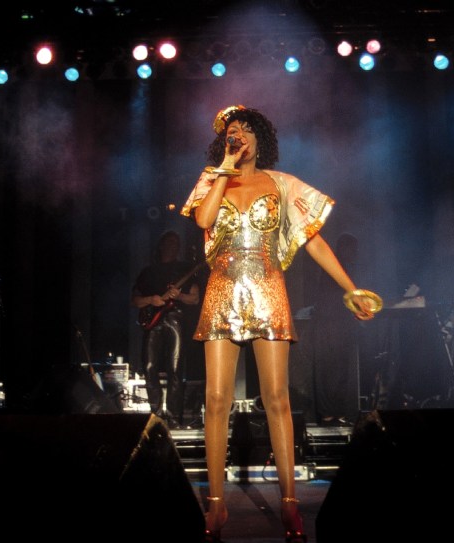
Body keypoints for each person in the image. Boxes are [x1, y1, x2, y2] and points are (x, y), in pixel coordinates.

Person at [181, 105, 381, 543]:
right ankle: (216, 506)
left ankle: (289, 504)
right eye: (232, 131)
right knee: (217, 399)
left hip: (268, 285)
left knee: (276, 396)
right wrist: (222, 170)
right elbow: (203, 220)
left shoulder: (283, 184)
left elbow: (314, 242)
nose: (240, 135)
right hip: (222, 289)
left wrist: (350, 288)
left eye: (247, 129)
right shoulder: (212, 177)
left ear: (261, 140)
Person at [131, 230, 201, 428]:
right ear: (161, 245)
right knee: (150, 367)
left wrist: (177, 296)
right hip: (152, 320)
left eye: (176, 243)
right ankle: (156, 414)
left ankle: (172, 417)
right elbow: (134, 300)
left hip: (175, 318)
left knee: (175, 368)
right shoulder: (148, 272)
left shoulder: (185, 269)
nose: (173, 246)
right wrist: (151, 300)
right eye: (169, 242)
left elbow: (194, 298)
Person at [310, 232, 362, 425]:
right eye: (352, 250)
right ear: (343, 249)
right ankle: (328, 413)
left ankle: (337, 411)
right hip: (328, 324)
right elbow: (331, 299)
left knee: (339, 370)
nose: (355, 254)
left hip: (340, 324)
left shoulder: (348, 268)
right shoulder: (334, 268)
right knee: (328, 370)